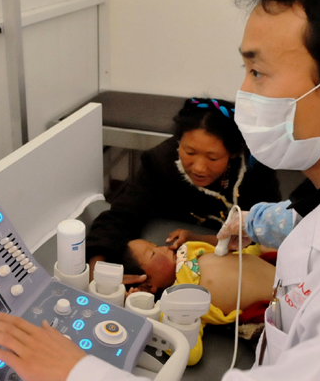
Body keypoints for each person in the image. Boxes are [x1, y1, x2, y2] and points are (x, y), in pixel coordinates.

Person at [0, 0, 320, 381]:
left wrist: (75, 374)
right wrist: (110, 256)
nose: (244, 92)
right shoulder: (169, 169)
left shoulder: (260, 177)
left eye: (258, 73)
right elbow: (125, 213)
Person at [86, 97, 281, 276]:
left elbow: (269, 230)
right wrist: (97, 266)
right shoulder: (160, 162)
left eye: (213, 158)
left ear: (232, 152)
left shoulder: (256, 172)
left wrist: (200, 238)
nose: (199, 168)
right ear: (179, 142)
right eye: (189, 152)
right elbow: (122, 214)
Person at [124, 238, 275, 365]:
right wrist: (148, 312)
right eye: (153, 253)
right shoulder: (176, 304)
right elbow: (189, 353)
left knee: (267, 243)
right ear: (147, 285)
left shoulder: (188, 250)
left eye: (156, 246)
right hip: (277, 304)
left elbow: (231, 253)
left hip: (271, 265)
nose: (164, 248)